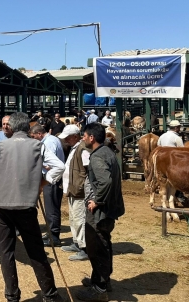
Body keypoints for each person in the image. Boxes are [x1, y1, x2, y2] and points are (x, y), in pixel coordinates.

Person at [0, 112, 66, 302]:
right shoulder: (38, 145)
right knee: (36, 251)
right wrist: (43, 183)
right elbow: (59, 167)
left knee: (6, 253)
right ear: (28, 128)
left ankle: (12, 296)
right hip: (27, 207)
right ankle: (50, 295)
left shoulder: (1, 146)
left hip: (2, 206)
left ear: (10, 128)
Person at [77, 123, 125, 302]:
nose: (83, 138)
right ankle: (102, 280)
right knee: (103, 244)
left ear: (91, 138)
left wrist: (97, 201)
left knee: (97, 247)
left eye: (84, 135)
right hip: (110, 209)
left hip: (100, 211)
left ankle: (99, 289)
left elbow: (105, 181)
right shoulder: (107, 152)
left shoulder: (97, 157)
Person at [58, 125, 90, 262]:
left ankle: (85, 248)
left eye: (67, 137)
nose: (65, 140)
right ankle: (77, 242)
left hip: (79, 191)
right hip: (73, 189)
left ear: (75, 136)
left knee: (80, 218)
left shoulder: (82, 149)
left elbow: (88, 169)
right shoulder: (76, 148)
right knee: (73, 218)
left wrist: (82, 186)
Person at [30, 124, 65, 247]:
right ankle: (51, 232)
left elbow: (51, 164)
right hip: (52, 178)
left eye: (34, 137)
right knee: (51, 207)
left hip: (51, 178)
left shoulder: (48, 143)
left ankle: (54, 236)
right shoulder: (52, 140)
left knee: (52, 208)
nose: (34, 139)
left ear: (39, 134)